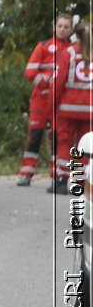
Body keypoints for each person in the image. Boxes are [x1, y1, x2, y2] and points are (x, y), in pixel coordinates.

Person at [19, 13, 78, 187]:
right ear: (55, 27)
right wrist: (45, 83)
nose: (62, 29)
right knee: (35, 135)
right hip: (40, 99)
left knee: (58, 138)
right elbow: (30, 71)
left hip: (59, 100)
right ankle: (26, 174)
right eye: (60, 26)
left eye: (66, 27)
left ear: (71, 30)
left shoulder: (72, 50)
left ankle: (56, 176)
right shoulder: (43, 46)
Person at [50, 20, 92, 194]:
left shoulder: (69, 53)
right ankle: (79, 181)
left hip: (68, 108)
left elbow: (59, 82)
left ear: (75, 35)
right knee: (84, 147)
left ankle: (61, 180)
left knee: (64, 143)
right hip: (89, 110)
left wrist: (53, 104)